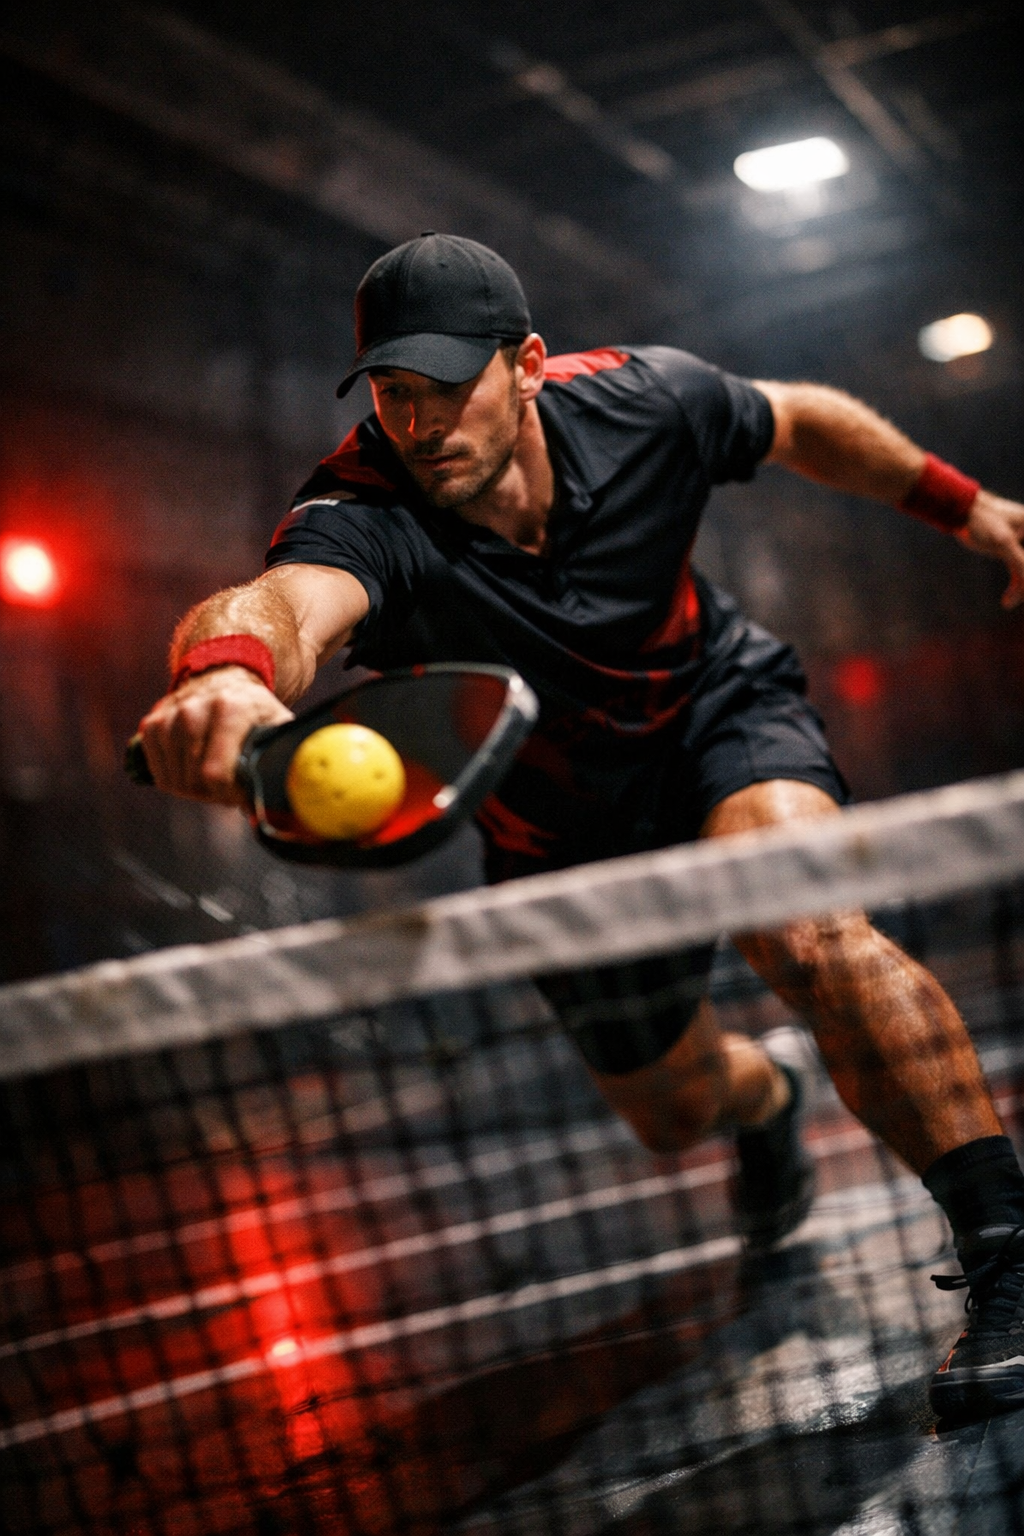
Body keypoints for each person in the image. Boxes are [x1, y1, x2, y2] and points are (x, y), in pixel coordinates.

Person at [139, 233, 1024, 1422]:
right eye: (393, 394)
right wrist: (230, 678)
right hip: (556, 830)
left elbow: (803, 418)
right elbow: (281, 607)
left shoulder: (645, 400)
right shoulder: (365, 509)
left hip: (712, 715)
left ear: (529, 366)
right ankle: (765, 1102)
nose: (419, 421)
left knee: (805, 929)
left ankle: (1010, 1261)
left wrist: (966, 510)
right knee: (672, 1114)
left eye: (446, 386)